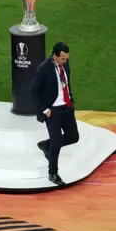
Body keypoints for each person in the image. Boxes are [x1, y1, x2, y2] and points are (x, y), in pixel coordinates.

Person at [30, 42, 79, 186]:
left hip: (67, 107)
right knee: (57, 143)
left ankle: (47, 145)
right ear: (55, 56)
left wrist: (70, 100)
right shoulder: (44, 69)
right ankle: (53, 173)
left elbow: (66, 82)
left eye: (66, 58)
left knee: (73, 137)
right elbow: (33, 91)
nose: (65, 61)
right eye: (63, 59)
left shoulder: (65, 63)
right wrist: (45, 110)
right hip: (53, 111)